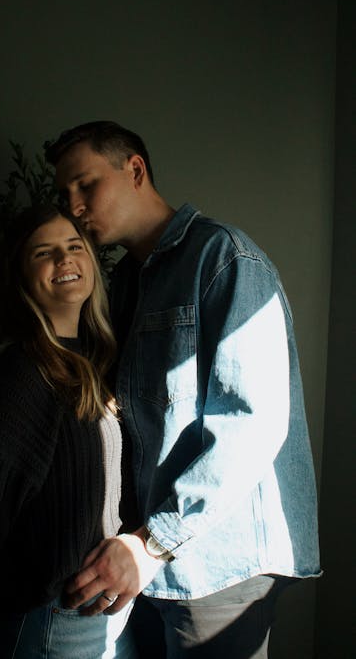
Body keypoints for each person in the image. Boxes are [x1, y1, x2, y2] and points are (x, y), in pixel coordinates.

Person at [44, 121, 322, 658]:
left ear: (136, 170)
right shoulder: (124, 281)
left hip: (217, 561)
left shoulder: (224, 259)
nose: (73, 205)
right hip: (151, 557)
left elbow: (252, 425)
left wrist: (153, 543)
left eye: (85, 184)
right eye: (64, 193)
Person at [0, 203, 138, 659]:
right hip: (51, 620)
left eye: (73, 247)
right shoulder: (23, 373)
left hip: (107, 611)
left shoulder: (97, 360)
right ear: (23, 278)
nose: (64, 260)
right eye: (43, 253)